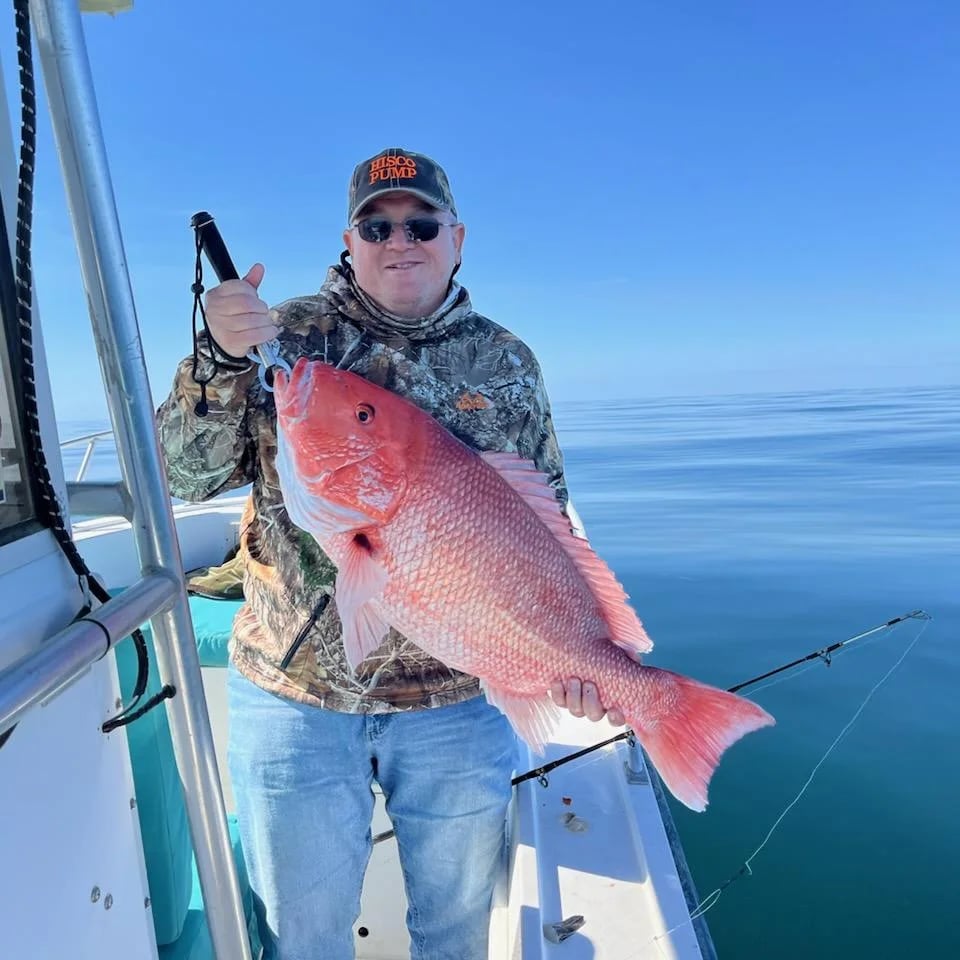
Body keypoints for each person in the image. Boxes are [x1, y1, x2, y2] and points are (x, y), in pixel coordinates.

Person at [157, 147, 623, 960]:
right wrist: (221, 359)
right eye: (378, 225)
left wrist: (584, 655)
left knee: (456, 936)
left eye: (420, 222)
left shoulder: (508, 363)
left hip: (459, 704)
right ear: (351, 237)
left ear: (457, 237)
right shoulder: (281, 337)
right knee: (299, 940)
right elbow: (185, 473)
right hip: (294, 699)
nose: (399, 238)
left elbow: (548, 516)